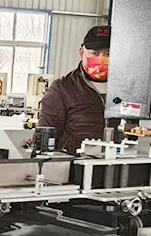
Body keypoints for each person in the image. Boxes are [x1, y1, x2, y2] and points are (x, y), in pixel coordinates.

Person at [38, 25, 111, 153]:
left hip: (120, 162)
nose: (101, 59)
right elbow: (46, 136)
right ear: (82, 52)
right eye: (95, 53)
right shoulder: (62, 89)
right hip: (75, 162)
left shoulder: (128, 89)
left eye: (108, 54)